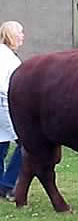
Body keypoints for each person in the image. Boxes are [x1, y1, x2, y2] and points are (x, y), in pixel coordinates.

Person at [0, 21, 24, 201]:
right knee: (26, 144)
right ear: (11, 35)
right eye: (20, 32)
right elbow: (3, 86)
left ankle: (3, 185)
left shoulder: (7, 55)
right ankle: (8, 185)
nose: (23, 35)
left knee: (1, 146)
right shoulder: (5, 57)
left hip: (5, 106)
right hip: (4, 106)